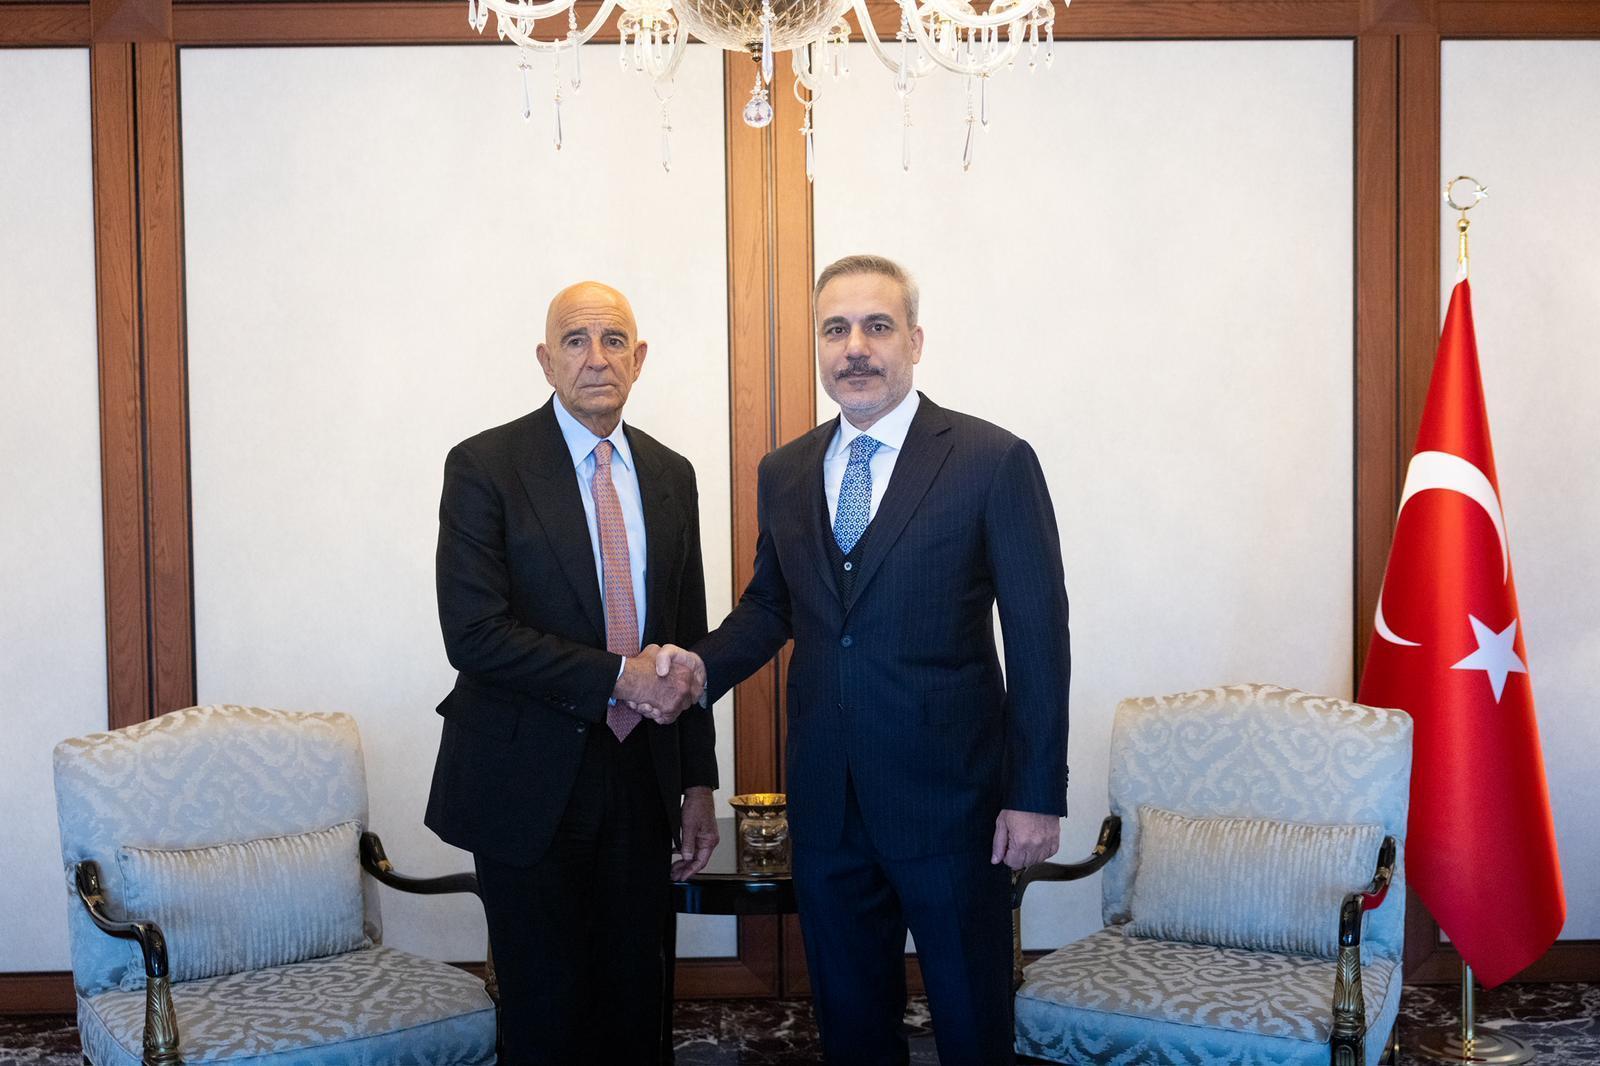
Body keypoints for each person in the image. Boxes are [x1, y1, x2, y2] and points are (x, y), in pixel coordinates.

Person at [656, 255, 1070, 1065]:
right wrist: (699, 671)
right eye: (835, 329)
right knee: (850, 1030)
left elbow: (1039, 638)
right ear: (818, 345)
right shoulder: (785, 471)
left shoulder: (992, 460)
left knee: (972, 1027)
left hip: (955, 806)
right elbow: (772, 605)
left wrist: (1034, 796)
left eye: (877, 326)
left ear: (914, 340)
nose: (855, 347)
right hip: (826, 805)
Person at [425, 281, 717, 1065]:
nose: (596, 358)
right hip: (526, 777)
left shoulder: (672, 473)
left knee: (637, 1009)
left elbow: (687, 638)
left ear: (639, 359)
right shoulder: (486, 466)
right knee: (546, 1015)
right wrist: (621, 677)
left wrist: (697, 783)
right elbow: (474, 635)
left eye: (614, 340)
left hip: (643, 777)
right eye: (576, 340)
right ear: (546, 360)